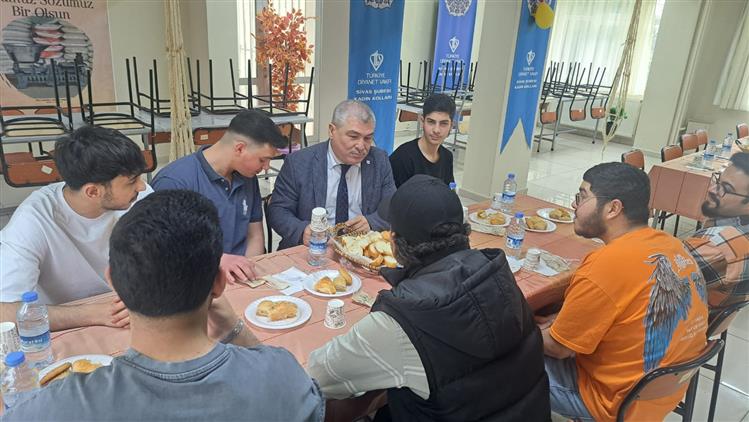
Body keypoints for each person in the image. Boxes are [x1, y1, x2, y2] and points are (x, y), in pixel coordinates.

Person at [4, 190, 325, 421]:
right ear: (219, 284)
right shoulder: (283, 377)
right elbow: (307, 400)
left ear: (113, 281)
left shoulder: (54, 408)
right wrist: (236, 330)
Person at [308, 175, 549, 421]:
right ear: (464, 231)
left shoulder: (403, 316)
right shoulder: (496, 270)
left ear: (393, 242)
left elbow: (320, 376)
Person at [538, 162, 708, 421]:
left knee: (498, 353)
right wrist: (560, 321)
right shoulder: (671, 245)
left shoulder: (606, 264)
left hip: (612, 401)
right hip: (662, 392)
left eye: (582, 197)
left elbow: (558, 348)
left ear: (613, 208)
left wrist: (524, 328)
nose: (574, 205)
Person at [0, 126, 151, 331]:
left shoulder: (141, 199)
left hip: (132, 309)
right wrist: (92, 314)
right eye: (132, 181)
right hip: (69, 323)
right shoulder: (33, 221)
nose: (142, 186)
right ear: (92, 192)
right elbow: (5, 313)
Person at [152, 110, 287, 283]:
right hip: (196, 282)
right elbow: (164, 251)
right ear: (239, 148)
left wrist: (248, 275)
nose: (266, 167)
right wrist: (218, 261)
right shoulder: (175, 182)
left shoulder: (247, 176)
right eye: (263, 160)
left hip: (241, 279)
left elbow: (254, 235)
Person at [269, 100, 396, 249]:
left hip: (360, 248)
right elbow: (278, 211)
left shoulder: (379, 160)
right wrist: (302, 231)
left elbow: (393, 207)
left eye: (368, 138)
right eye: (353, 136)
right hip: (312, 249)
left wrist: (371, 222)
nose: (361, 146)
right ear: (332, 131)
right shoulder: (299, 163)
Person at [684, 152, 749, 316]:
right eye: (717, 181)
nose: (712, 189)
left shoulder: (717, 244)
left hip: (684, 320)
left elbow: (654, 279)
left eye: (725, 189)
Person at [389, 93, 456, 187]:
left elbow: (450, 190)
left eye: (443, 123)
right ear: (422, 121)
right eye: (431, 122)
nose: (436, 130)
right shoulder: (403, 158)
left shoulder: (447, 156)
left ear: (451, 126)